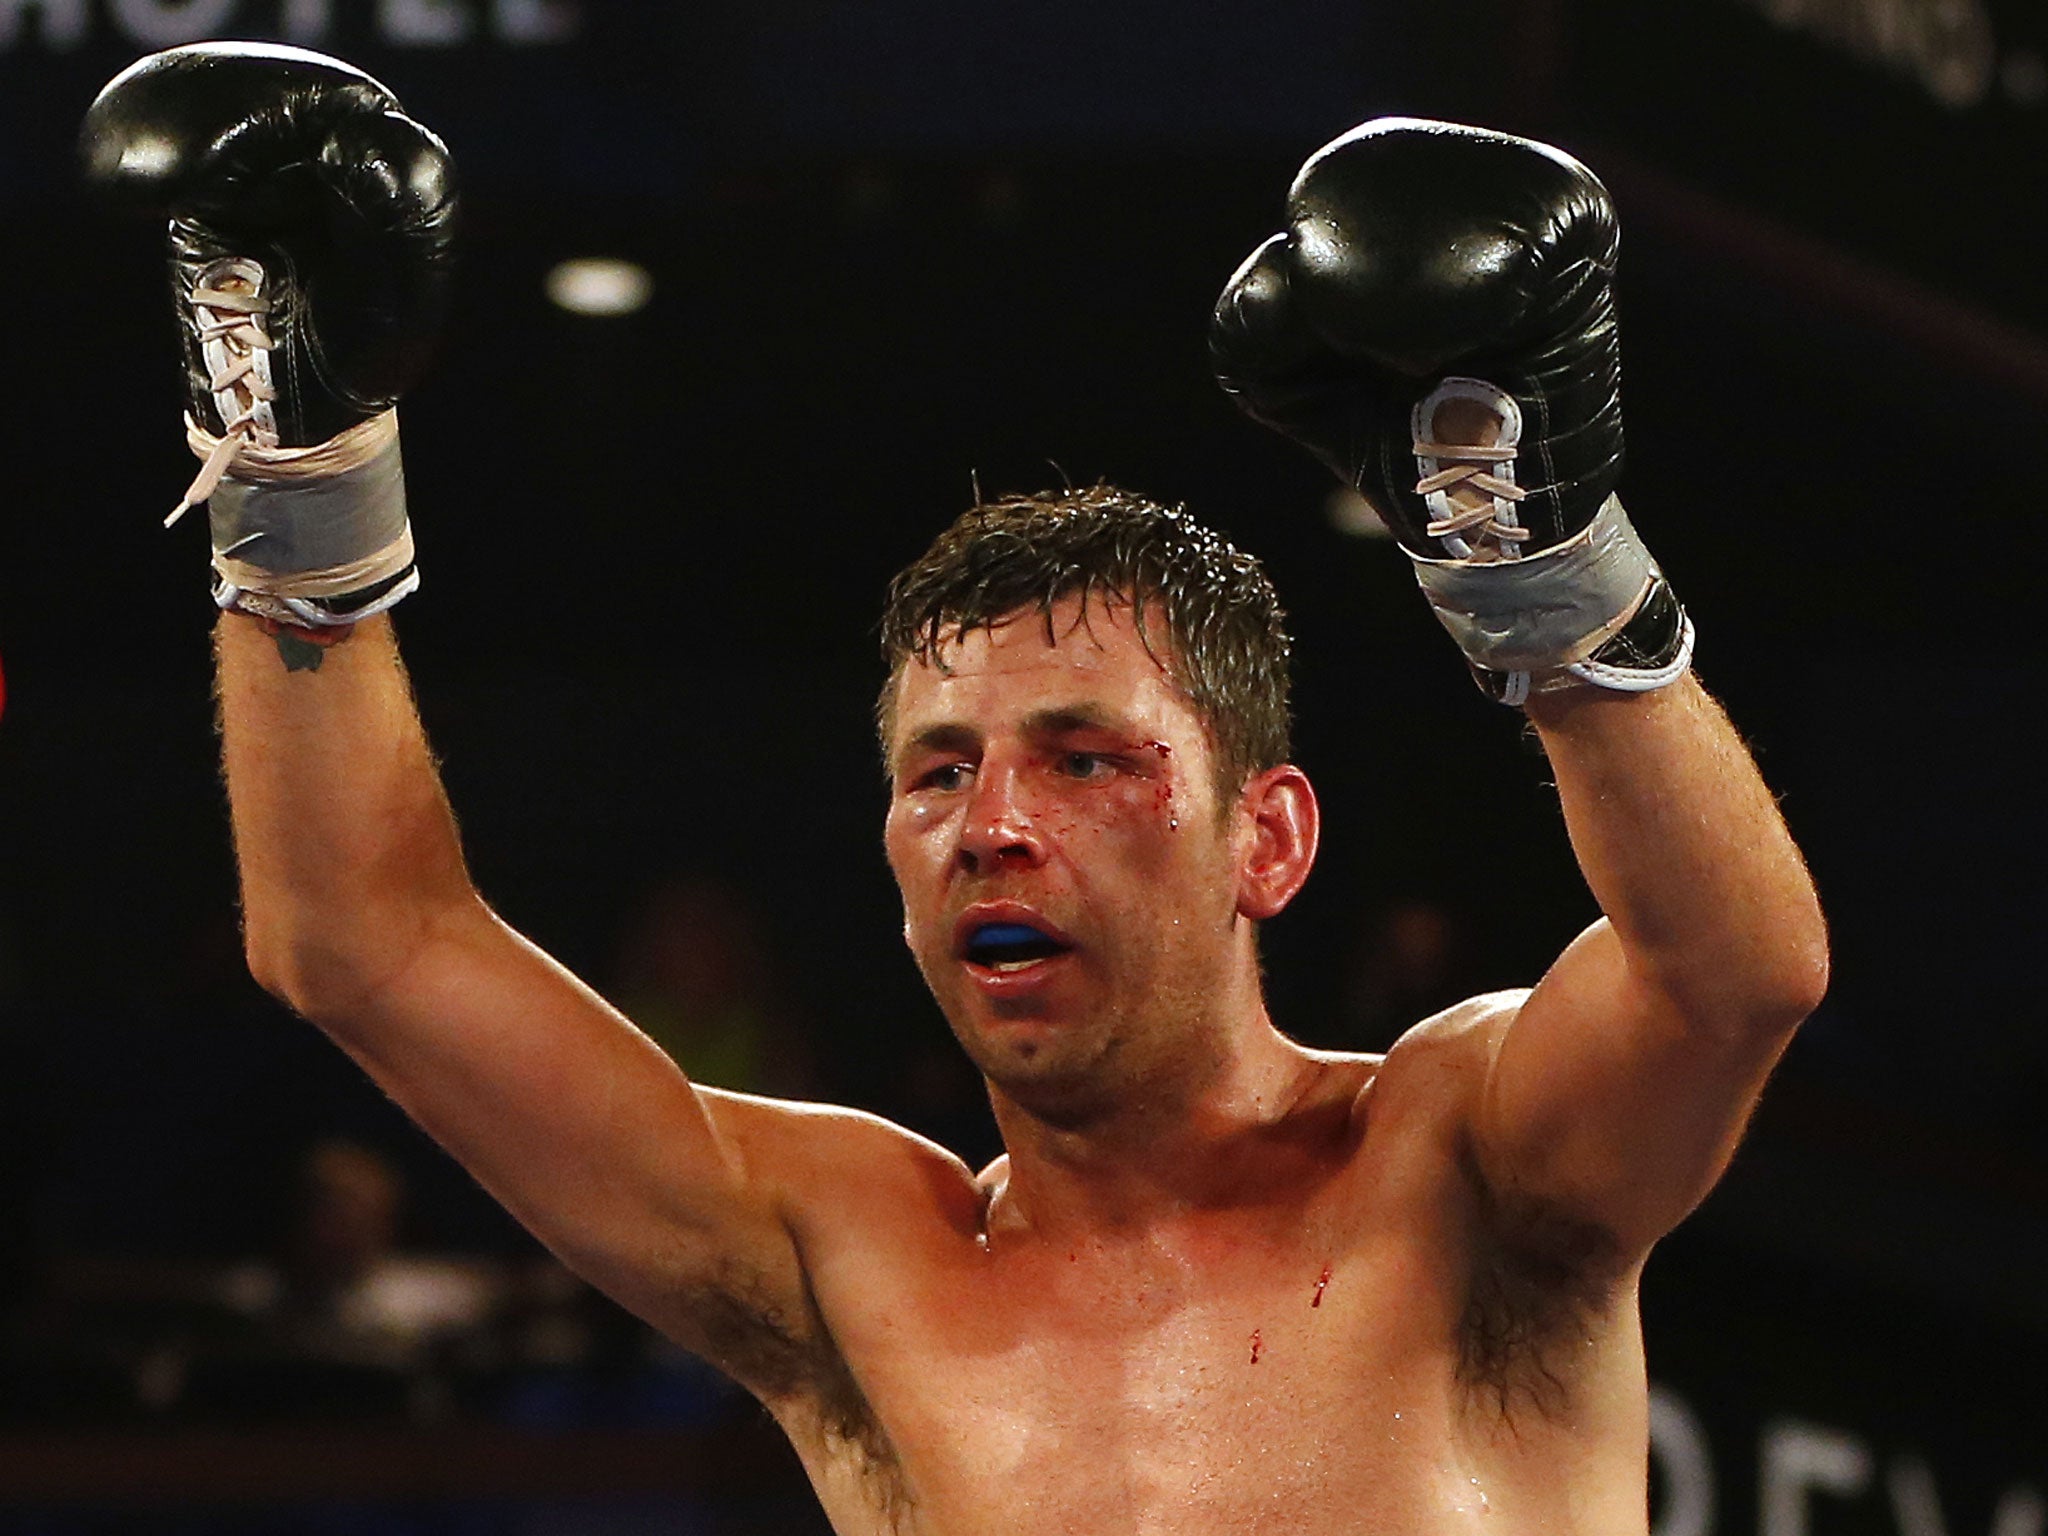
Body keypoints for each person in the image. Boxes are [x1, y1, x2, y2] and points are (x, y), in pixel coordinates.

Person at [85, 48, 1827, 1535]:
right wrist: (297, 468)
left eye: (1084, 758)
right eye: (939, 773)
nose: (993, 821)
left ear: (1268, 840)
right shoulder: (849, 1261)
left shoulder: (1454, 1157)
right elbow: (361, 946)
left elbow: (1730, 974)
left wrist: (1543, 569)